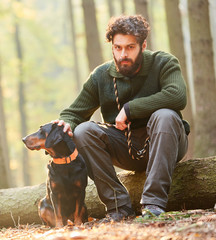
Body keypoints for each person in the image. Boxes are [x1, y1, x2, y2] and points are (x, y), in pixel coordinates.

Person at [54, 15, 189, 221]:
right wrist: (66, 124)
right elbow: (73, 113)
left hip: (166, 140)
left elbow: (177, 96)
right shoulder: (101, 76)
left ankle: (153, 205)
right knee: (83, 131)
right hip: (126, 146)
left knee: (165, 116)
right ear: (112, 47)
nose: (123, 54)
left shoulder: (164, 62)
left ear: (143, 45)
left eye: (130, 47)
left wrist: (130, 109)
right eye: (118, 48)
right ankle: (118, 207)